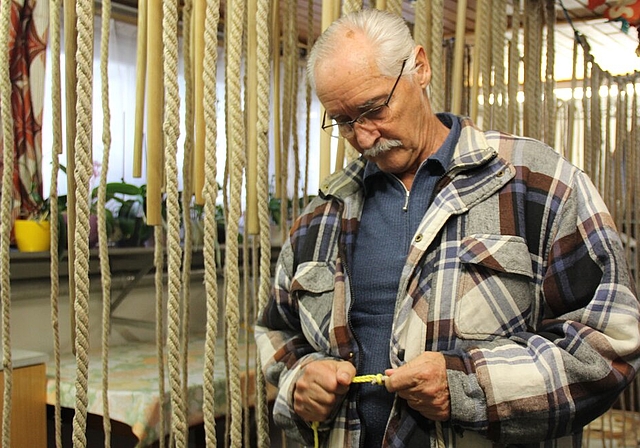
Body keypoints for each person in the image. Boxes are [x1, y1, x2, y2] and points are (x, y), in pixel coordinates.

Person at [255, 8, 640, 447]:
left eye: (373, 108)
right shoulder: (321, 215)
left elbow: (608, 344)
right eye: (344, 121)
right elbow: (277, 332)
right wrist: (300, 379)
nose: (363, 138)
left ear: (420, 67)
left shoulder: (538, 182)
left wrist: (466, 385)